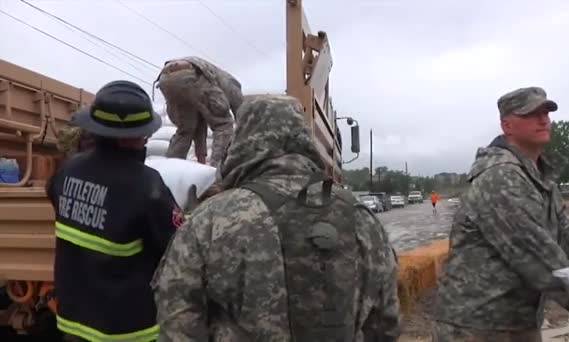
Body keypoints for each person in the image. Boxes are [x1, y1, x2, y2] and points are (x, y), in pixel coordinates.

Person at [151, 94, 401, 341]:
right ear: (303, 138)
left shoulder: (209, 222)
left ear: (242, 141)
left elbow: (177, 326)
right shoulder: (362, 220)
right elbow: (386, 324)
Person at [432, 86, 569, 341]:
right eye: (531, 114)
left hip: (515, 322)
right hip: (475, 327)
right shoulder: (500, 176)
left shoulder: (537, 174)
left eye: (546, 112)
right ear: (507, 125)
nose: (543, 119)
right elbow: (542, 262)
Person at [46, 80, 183, 342]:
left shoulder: (67, 170)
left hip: (73, 323)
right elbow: (178, 247)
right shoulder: (146, 185)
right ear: (134, 137)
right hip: (127, 330)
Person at [155, 56, 243, 167]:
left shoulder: (209, 82)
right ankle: (217, 170)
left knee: (185, 130)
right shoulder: (232, 83)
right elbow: (242, 114)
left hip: (165, 79)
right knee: (223, 125)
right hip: (190, 73)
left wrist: (201, 158)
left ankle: (170, 167)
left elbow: (200, 123)